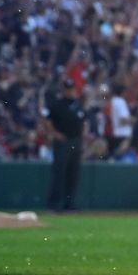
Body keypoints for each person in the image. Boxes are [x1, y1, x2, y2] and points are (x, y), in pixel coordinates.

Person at [43, 78, 85, 212]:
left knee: (73, 174)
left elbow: (84, 122)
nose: (70, 91)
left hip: (76, 141)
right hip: (63, 141)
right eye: (67, 89)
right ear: (63, 90)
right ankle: (55, 205)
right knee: (59, 173)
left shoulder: (78, 104)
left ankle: (69, 204)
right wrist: (55, 134)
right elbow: (47, 121)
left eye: (71, 88)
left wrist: (83, 136)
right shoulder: (56, 104)